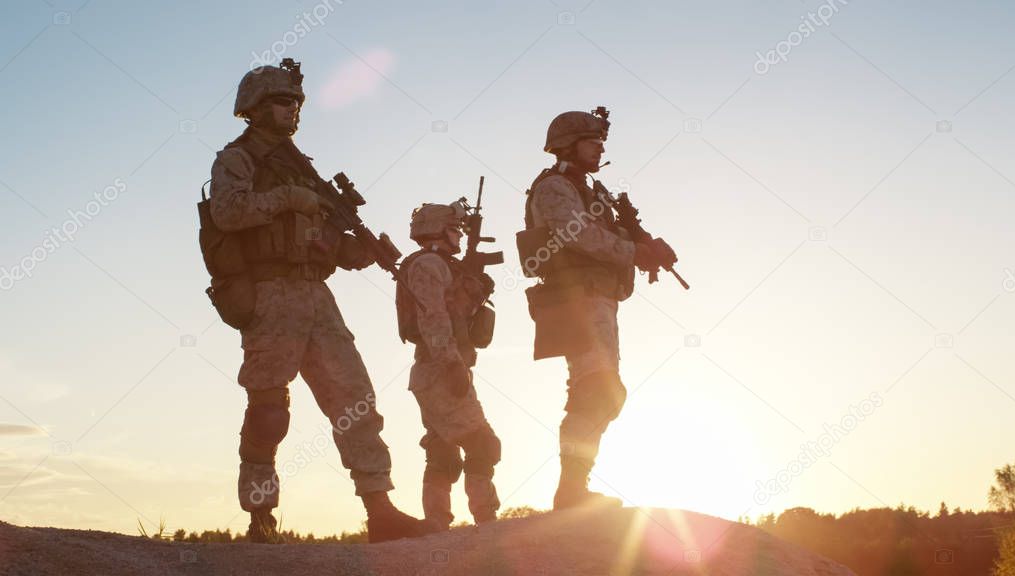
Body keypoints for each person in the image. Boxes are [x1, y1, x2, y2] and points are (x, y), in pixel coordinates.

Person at [207, 60, 424, 543]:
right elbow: (228, 212)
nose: (294, 110)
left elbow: (325, 242)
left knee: (355, 400)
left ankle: (380, 510)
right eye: (284, 101)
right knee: (269, 410)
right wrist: (290, 198)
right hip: (270, 294)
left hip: (316, 294)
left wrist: (358, 251)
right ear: (257, 108)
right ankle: (261, 517)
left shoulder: (300, 164)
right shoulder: (237, 159)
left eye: (297, 102)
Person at [518, 109, 676, 509]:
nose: (600, 147)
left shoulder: (590, 190)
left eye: (601, 141)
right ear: (568, 145)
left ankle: (574, 487)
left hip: (598, 299)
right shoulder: (554, 187)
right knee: (594, 391)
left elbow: (610, 231)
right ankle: (571, 493)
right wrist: (633, 251)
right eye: (592, 141)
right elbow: (575, 233)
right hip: (576, 298)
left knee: (605, 393)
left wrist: (648, 245)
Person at [395, 203, 502, 530]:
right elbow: (433, 317)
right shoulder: (428, 264)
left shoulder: (442, 265)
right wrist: (452, 364)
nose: (459, 234)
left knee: (442, 450)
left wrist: (472, 287)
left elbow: (454, 316)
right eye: (455, 228)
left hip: (438, 368)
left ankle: (437, 524)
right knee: (482, 443)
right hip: (441, 368)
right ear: (439, 229)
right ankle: (486, 519)